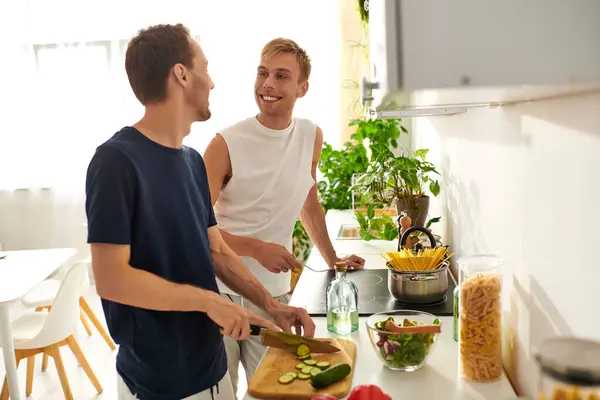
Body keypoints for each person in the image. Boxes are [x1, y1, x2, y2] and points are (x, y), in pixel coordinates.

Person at [85, 25, 315, 400]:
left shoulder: (191, 162)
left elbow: (217, 251)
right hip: (159, 379)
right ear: (181, 74)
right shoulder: (116, 161)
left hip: (210, 365)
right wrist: (211, 301)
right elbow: (111, 279)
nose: (212, 82)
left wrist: (272, 306)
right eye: (205, 69)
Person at [202, 38, 366, 397]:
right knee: (222, 393)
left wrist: (332, 258)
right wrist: (256, 247)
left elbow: (308, 203)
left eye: (281, 76)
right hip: (220, 292)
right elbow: (193, 226)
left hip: (273, 296)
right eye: (263, 74)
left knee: (277, 391)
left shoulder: (310, 136)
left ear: (302, 87)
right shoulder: (224, 144)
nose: (268, 85)